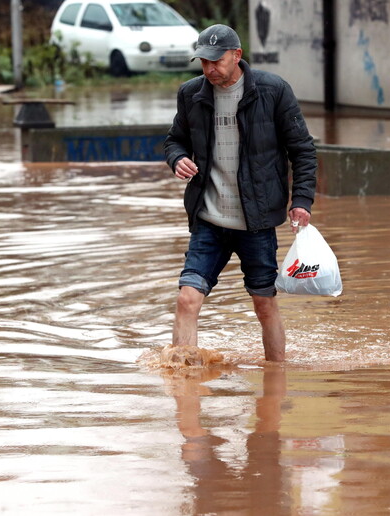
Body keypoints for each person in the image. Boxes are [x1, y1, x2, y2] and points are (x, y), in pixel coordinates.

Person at [164, 24, 317, 362]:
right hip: (208, 218)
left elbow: (302, 150)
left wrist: (301, 201)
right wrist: (178, 158)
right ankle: (183, 389)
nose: (209, 69)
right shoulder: (191, 94)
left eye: (216, 61)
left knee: (264, 303)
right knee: (186, 299)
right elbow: (175, 139)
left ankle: (276, 380)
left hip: (257, 222)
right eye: (203, 62)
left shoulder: (273, 91)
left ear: (237, 55)